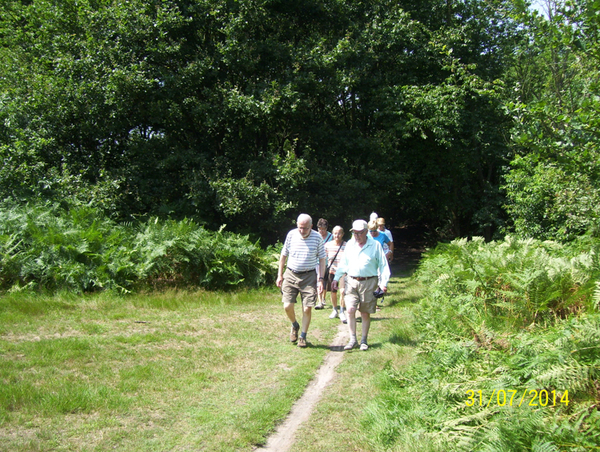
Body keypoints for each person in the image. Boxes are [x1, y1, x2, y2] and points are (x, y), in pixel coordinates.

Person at [332, 219, 390, 351]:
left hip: (369, 282)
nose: (357, 236)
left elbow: (383, 266)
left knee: (364, 312)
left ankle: (364, 340)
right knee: (350, 309)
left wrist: (383, 284)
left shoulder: (375, 245)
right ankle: (353, 339)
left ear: (366, 232)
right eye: (354, 233)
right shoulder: (350, 245)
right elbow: (343, 264)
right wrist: (336, 278)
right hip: (351, 281)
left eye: (359, 233)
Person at [276, 214, 327, 348]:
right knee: (287, 306)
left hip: (309, 276)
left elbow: (322, 259)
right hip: (291, 273)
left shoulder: (317, 238)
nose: (302, 231)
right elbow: (283, 255)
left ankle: (303, 337)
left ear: (311, 226)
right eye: (299, 227)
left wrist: (320, 279)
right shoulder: (291, 235)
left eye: (304, 228)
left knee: (307, 308)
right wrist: (279, 275)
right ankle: (294, 325)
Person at [324, 225, 347, 323]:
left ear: (342, 234)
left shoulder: (346, 245)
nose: (337, 235)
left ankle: (342, 311)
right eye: (335, 233)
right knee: (333, 292)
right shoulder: (327, 245)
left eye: (339, 233)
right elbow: (323, 259)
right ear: (332, 234)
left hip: (343, 273)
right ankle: (334, 309)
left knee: (342, 291)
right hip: (332, 272)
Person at [315, 218, 333, 310]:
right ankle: (320, 301)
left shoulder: (331, 236)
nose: (321, 231)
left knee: (325, 281)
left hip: (327, 262)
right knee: (319, 280)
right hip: (317, 262)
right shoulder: (315, 235)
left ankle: (323, 298)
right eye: (320, 229)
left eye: (323, 229)